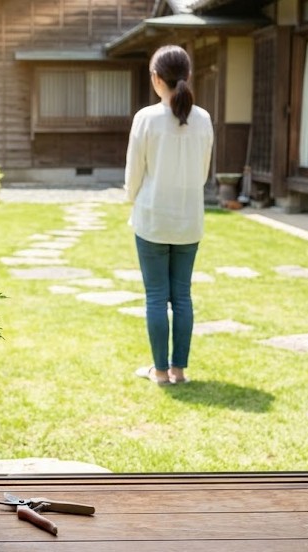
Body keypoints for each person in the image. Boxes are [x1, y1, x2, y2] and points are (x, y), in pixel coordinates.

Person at [125, 45, 214, 386]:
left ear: (156, 79)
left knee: (156, 297)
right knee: (182, 295)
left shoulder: (146, 118)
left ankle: (160, 372)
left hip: (152, 218)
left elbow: (134, 172)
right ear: (186, 76)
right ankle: (179, 369)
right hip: (189, 219)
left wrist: (130, 199)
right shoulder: (203, 119)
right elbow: (203, 174)